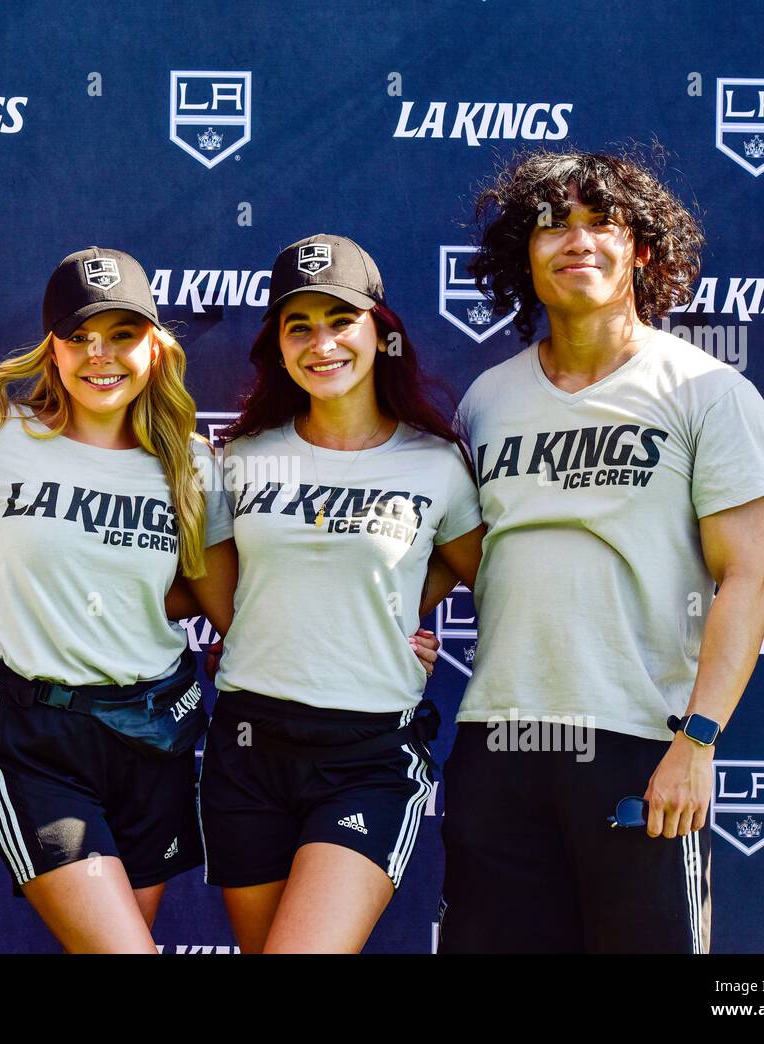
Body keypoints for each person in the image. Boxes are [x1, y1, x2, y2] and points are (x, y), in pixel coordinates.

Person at [436, 149, 764, 954]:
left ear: (643, 251)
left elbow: (749, 576)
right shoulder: (487, 400)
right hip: (500, 743)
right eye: (552, 226)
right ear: (524, 257)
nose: (576, 241)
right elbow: (461, 557)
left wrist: (696, 743)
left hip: (639, 743)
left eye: (601, 223)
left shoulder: (707, 392)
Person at [199, 234, 484, 953]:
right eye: (300, 326)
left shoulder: (435, 462)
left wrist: (395, 618)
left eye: (340, 320)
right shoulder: (243, 456)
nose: (321, 343)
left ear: (381, 333)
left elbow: (483, 569)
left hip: (368, 757)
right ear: (279, 345)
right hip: (246, 747)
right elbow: (224, 593)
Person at [0, 247, 238, 953]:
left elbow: (236, 612)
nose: (98, 355)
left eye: (121, 334)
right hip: (35, 734)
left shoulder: (193, 467)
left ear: (155, 346)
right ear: (50, 348)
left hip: (156, 733)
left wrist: (392, 637)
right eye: (77, 336)